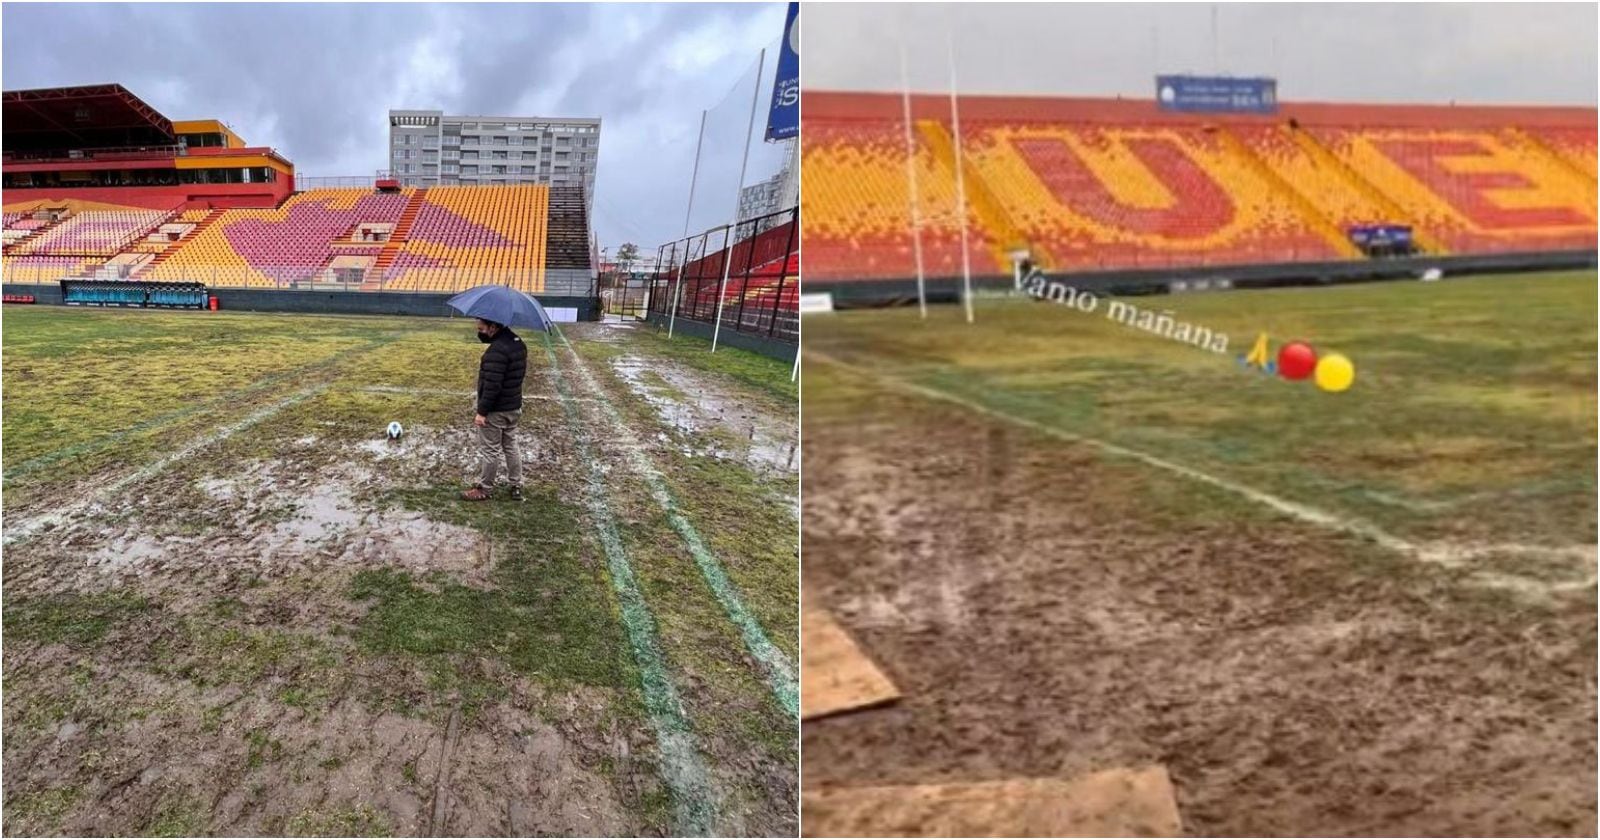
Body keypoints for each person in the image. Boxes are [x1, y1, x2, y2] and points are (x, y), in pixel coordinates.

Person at [462, 317, 527, 501]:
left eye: (482, 329)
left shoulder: (496, 351)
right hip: (513, 407)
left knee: (490, 450)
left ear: (493, 327)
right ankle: (516, 485)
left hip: (497, 411)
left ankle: (485, 488)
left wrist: (482, 412)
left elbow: (492, 386)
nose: (479, 332)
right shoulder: (519, 343)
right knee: (511, 446)